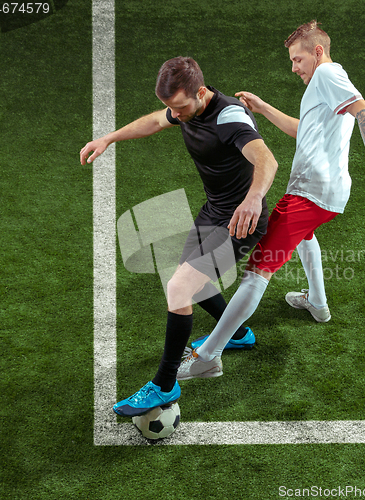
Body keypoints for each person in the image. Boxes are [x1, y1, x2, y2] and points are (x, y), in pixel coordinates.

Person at [177, 20, 365, 381]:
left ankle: (208, 356)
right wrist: (263, 108)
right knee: (306, 236)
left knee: (257, 270)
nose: (294, 67)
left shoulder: (327, 75)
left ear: (318, 52)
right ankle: (319, 304)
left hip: (312, 192)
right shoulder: (325, 86)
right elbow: (303, 130)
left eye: (297, 59)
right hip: (323, 194)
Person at [80, 57, 278, 416]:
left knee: (178, 288)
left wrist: (252, 200)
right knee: (186, 281)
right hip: (213, 211)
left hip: (240, 222)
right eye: (171, 107)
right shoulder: (185, 109)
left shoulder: (229, 117)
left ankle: (165, 385)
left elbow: (268, 160)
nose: (175, 114)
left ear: (200, 92)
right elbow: (154, 122)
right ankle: (236, 333)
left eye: (180, 107)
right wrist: (108, 138)